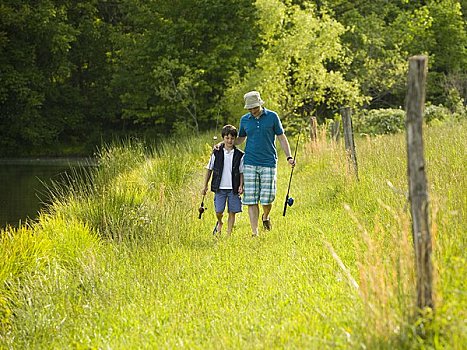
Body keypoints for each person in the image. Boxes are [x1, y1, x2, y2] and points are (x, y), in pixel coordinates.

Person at [235, 91, 295, 237]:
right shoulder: (245, 120)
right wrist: (224, 144)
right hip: (249, 163)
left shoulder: (272, 117)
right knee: (251, 199)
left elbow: (281, 137)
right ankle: (254, 232)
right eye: (249, 109)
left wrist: (289, 157)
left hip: (268, 162)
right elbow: (240, 139)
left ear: (260, 104)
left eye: (254, 108)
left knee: (267, 198)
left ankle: (265, 216)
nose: (252, 111)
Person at [202, 124, 244, 235]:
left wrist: (241, 185)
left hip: (233, 188)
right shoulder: (216, 152)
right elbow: (209, 169)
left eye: (232, 138)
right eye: (227, 138)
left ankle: (229, 234)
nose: (229, 140)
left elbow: (241, 172)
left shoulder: (240, 155)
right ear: (223, 138)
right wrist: (205, 185)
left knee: (232, 211)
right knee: (218, 210)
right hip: (219, 187)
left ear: (235, 139)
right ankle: (220, 222)